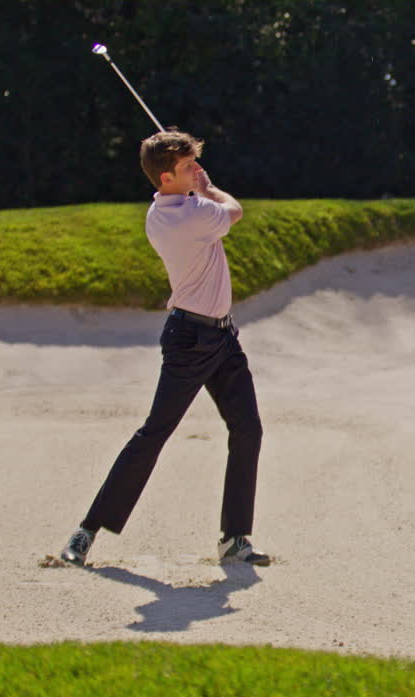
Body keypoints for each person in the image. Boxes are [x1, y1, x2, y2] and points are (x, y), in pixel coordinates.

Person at [60, 129, 269, 567]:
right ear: (166, 179)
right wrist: (210, 187)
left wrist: (195, 182)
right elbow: (235, 210)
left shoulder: (169, 207)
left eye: (196, 163)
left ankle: (235, 538)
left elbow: (205, 201)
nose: (196, 169)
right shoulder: (186, 217)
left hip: (223, 338)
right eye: (188, 166)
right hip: (190, 342)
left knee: (247, 428)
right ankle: (87, 530)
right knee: (155, 432)